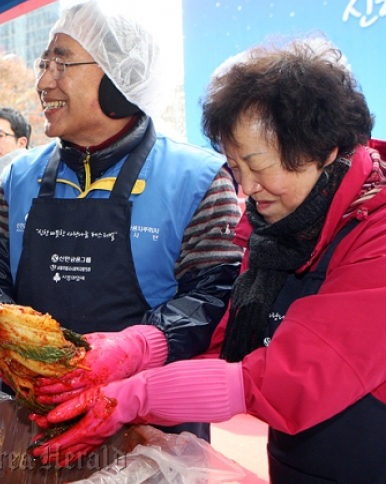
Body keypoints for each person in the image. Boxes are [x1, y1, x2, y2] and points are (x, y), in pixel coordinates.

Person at [30, 37, 386, 483]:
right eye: (238, 169)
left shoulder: (377, 231)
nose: (248, 189)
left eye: (260, 166)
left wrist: (133, 398)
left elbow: (292, 375)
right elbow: (229, 342)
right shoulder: (278, 228)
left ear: (325, 150)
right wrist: (137, 348)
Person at [0, 0, 242, 442]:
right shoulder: (18, 177)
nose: (42, 81)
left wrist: (134, 350)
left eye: (61, 64)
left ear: (119, 76)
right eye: (42, 63)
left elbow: (212, 299)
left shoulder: (198, 178)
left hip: (154, 429)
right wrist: (16, 342)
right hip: (35, 416)